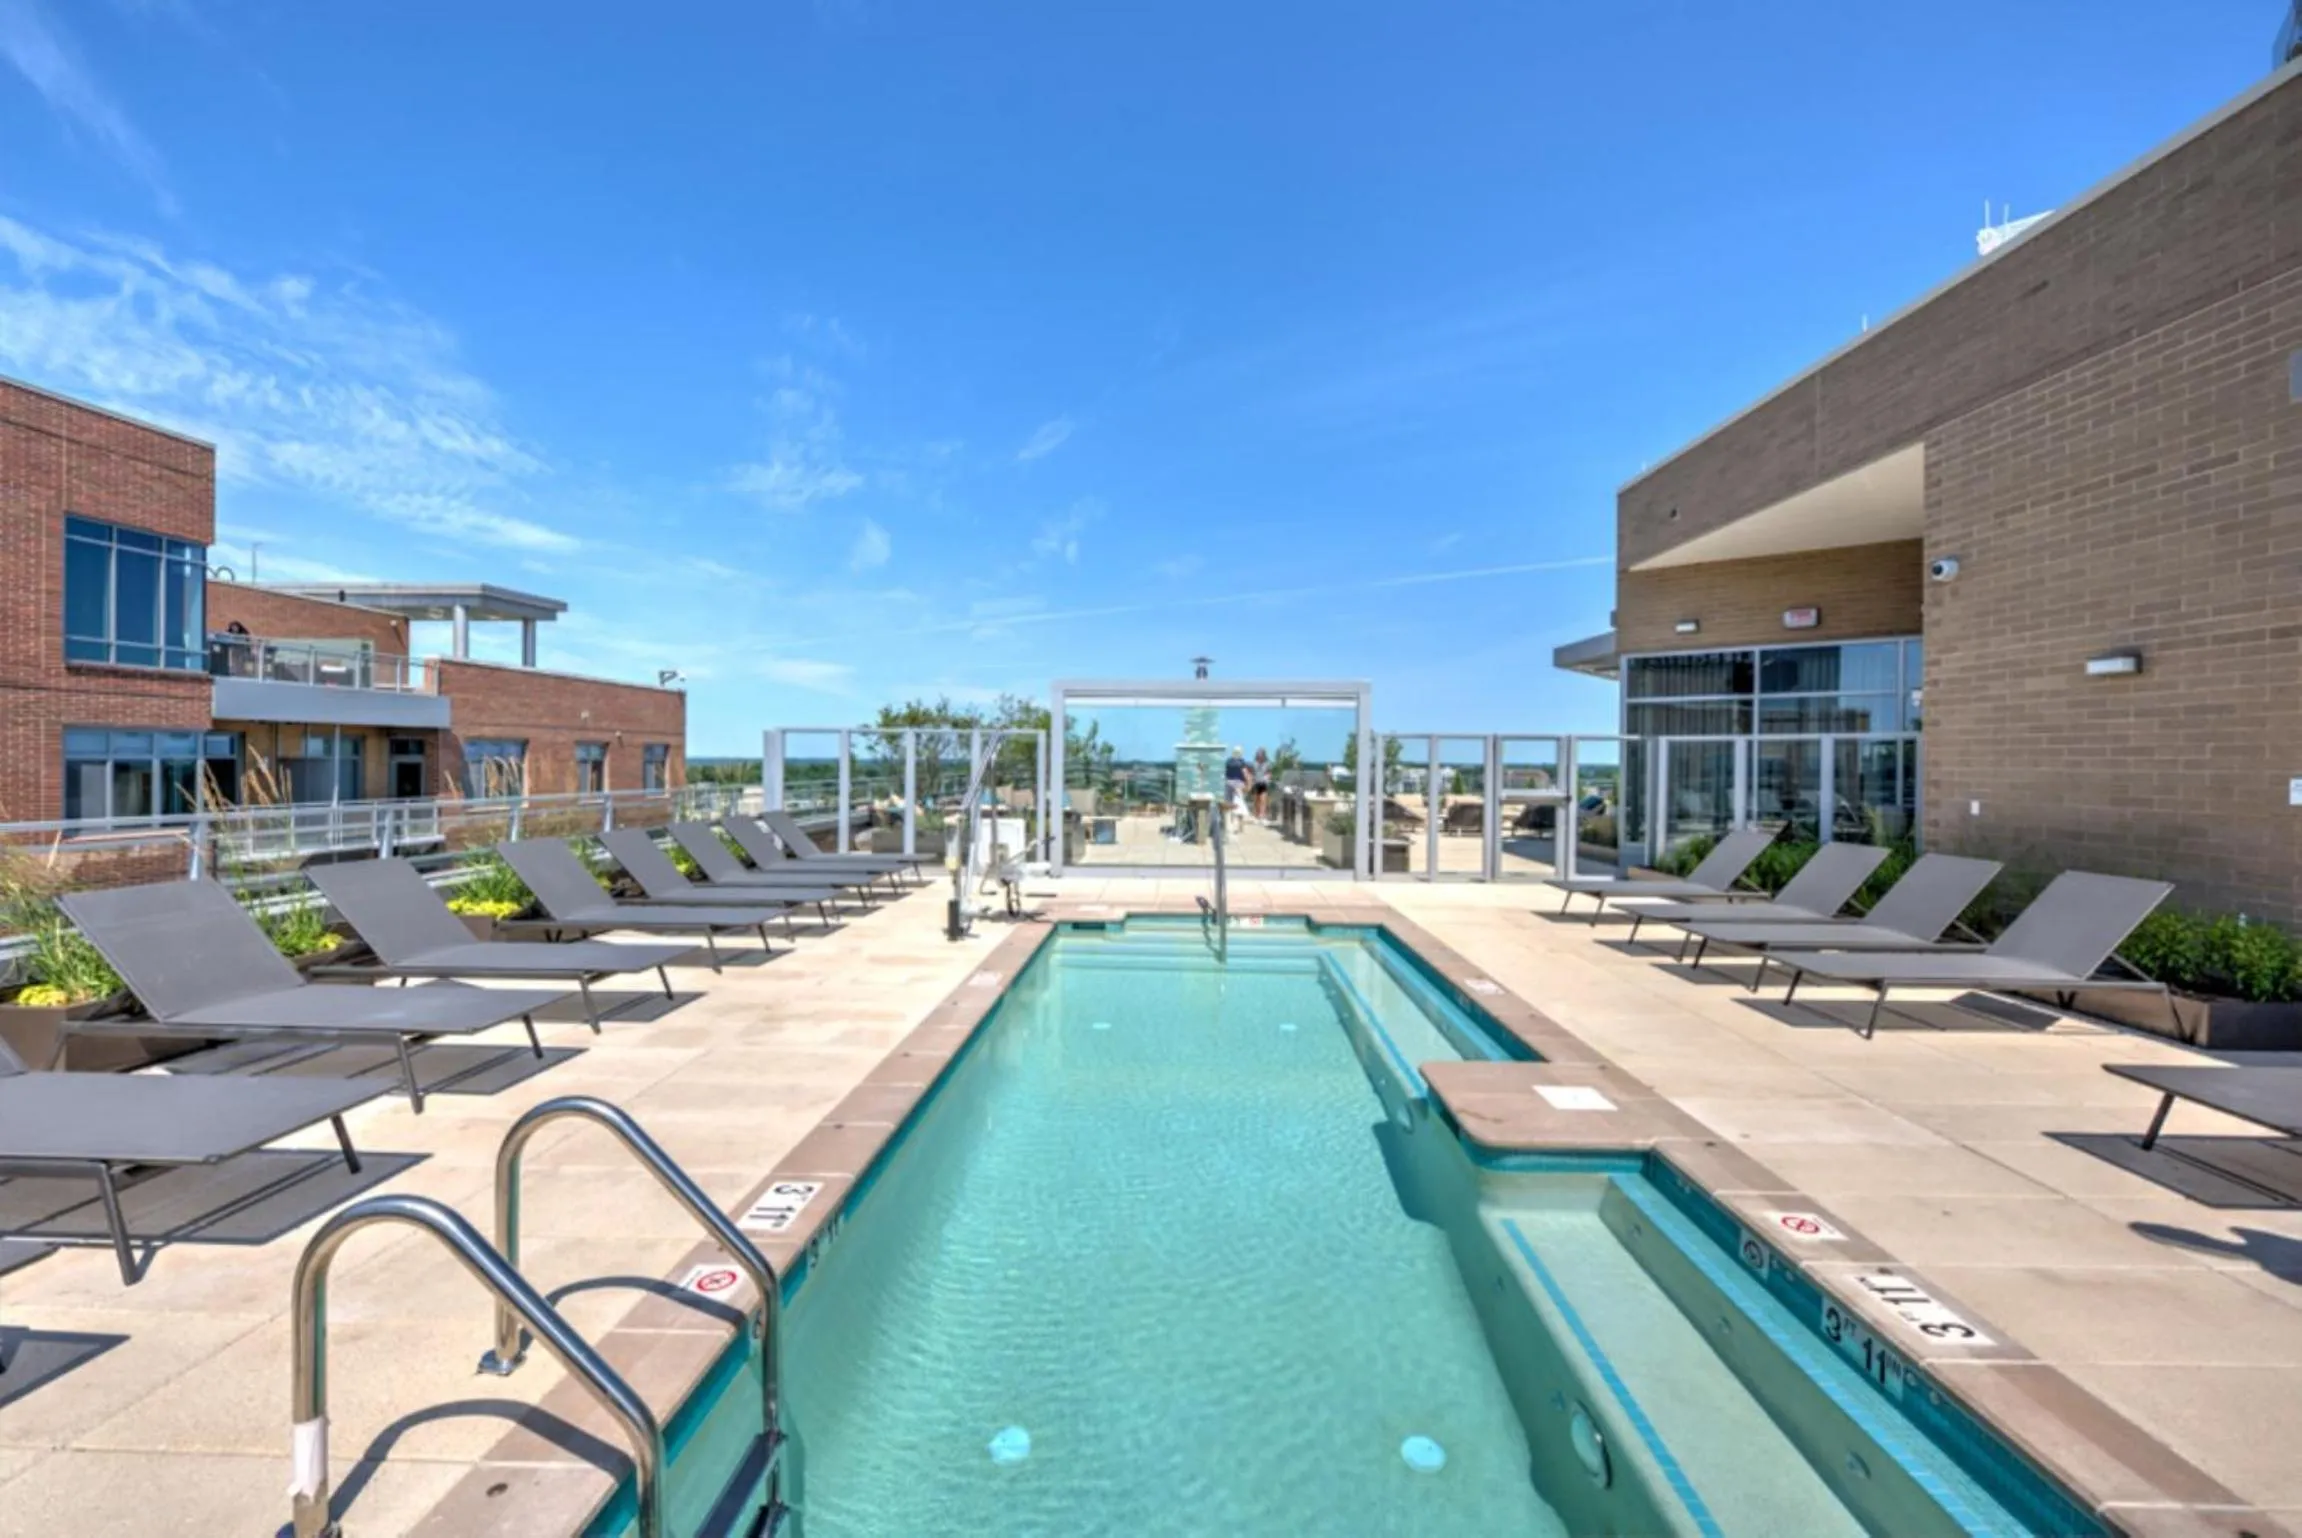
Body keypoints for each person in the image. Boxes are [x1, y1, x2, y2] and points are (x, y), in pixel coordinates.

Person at [1223, 746, 1249, 832]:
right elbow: (1245, 773)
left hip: (1228, 783)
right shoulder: (1241, 762)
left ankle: (1229, 824)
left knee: (1230, 804)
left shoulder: (1228, 761)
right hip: (1238, 784)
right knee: (1240, 804)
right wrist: (1248, 783)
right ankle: (1240, 826)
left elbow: (1225, 773)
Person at [1251, 747, 1270, 821]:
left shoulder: (1267, 763)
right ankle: (1256, 814)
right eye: (1259, 754)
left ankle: (1262, 814)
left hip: (1263, 783)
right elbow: (1252, 773)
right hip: (1256, 782)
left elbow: (1268, 773)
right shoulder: (1254, 763)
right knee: (1256, 800)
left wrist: (1267, 778)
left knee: (1263, 799)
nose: (1260, 756)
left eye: (1261, 754)